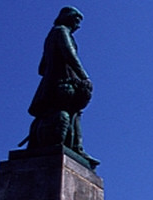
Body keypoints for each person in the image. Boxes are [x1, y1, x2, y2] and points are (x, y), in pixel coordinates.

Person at [26, 6, 98, 167]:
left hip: (53, 82)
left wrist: (53, 66)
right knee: (70, 111)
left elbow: (41, 67)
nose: (78, 24)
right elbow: (69, 54)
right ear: (66, 17)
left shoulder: (52, 34)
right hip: (63, 82)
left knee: (73, 112)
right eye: (76, 19)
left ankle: (75, 147)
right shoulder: (61, 31)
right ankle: (75, 147)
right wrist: (83, 76)